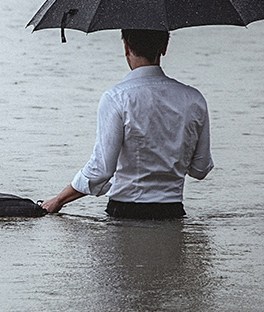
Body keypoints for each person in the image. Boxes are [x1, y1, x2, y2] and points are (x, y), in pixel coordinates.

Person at [41, 29, 213, 219]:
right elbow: (200, 169)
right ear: (164, 47)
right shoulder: (194, 99)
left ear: (126, 47)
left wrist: (58, 200)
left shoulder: (117, 98)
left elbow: (101, 170)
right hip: (172, 213)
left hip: (126, 212)